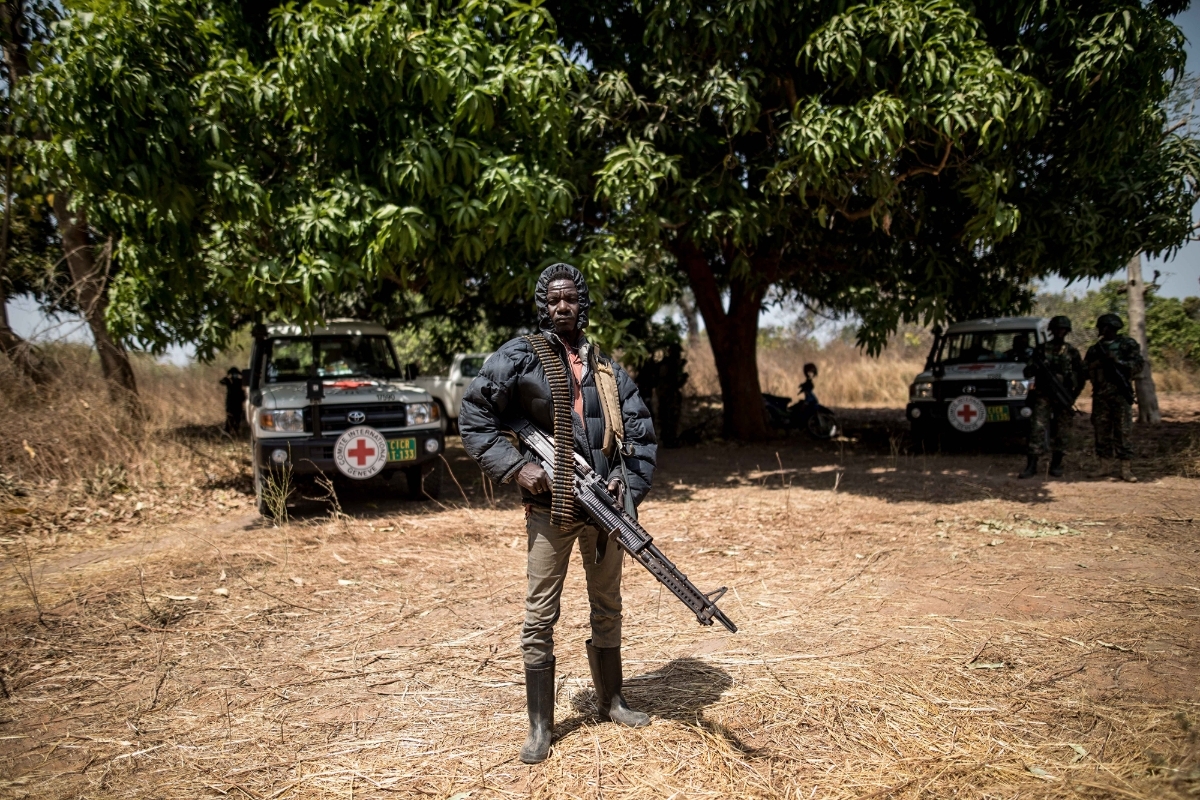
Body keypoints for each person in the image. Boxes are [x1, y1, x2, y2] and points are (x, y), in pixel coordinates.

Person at [459, 263, 657, 764]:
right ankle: (541, 727)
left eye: (570, 299)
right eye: (553, 300)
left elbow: (639, 434)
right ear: (543, 305)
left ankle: (612, 701)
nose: (562, 307)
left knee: (607, 604)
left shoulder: (606, 368)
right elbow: (474, 415)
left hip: (604, 510)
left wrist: (623, 481)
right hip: (550, 510)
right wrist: (516, 468)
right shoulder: (521, 356)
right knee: (540, 615)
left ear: (582, 304)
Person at [1018, 317, 1084, 479]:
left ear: (1067, 331)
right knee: (1037, 429)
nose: (1059, 332)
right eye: (1056, 329)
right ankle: (1031, 465)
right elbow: (1027, 372)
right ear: (1051, 331)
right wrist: (1036, 368)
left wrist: (1072, 396)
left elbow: (1082, 376)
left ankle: (1056, 464)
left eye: (1063, 329)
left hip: (1063, 396)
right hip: (1043, 396)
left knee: (1063, 431)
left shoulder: (1072, 352)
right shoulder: (1041, 350)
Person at [1084, 313, 1144, 482]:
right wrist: (1096, 365)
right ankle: (1104, 466)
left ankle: (1126, 469)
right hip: (1101, 396)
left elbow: (1138, 366)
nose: (1104, 331)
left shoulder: (1127, 345)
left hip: (1120, 395)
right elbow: (1084, 371)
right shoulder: (1095, 349)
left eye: (1105, 328)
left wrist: (1117, 361)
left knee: (1123, 430)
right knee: (1101, 430)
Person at [219, 367, 244, 435]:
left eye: (235, 373)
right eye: (233, 373)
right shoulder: (228, 381)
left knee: (237, 417)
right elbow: (221, 381)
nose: (234, 375)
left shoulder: (240, 380)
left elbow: (247, 380)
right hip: (231, 402)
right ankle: (228, 431)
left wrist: (241, 374)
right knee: (230, 416)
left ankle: (236, 430)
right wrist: (228, 377)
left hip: (237, 401)